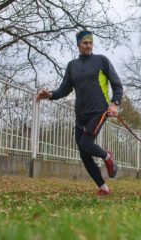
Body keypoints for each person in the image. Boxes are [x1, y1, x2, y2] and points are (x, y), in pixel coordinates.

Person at [36, 30, 123, 196]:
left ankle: (107, 156)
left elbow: (117, 84)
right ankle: (103, 188)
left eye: (90, 42)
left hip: (99, 111)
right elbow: (65, 89)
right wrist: (51, 95)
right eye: (85, 43)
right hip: (80, 114)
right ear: (78, 45)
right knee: (84, 154)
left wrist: (115, 103)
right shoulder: (72, 66)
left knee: (86, 144)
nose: (88, 45)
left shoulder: (101, 61)